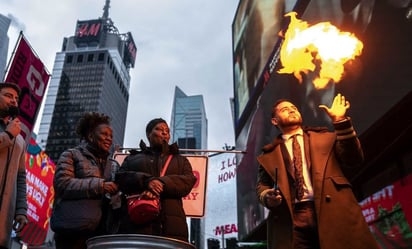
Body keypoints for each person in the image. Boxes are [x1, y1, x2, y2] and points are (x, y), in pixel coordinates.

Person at [256, 93, 379, 249]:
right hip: (291, 219)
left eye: (294, 108)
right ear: (275, 121)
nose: (292, 110)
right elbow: (261, 186)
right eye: (285, 109)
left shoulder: (327, 138)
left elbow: (353, 159)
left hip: (333, 210)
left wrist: (340, 121)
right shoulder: (268, 155)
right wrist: (267, 196)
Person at [115, 118, 197, 242]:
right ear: (149, 134)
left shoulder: (180, 160)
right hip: (136, 226)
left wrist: (161, 183)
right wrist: (147, 181)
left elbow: (189, 181)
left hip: (172, 229)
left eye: (167, 131)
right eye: (159, 129)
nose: (165, 133)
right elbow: (120, 178)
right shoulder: (133, 158)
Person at [50, 112, 119, 249]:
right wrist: (100, 185)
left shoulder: (112, 164)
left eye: (110, 136)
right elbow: (63, 184)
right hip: (72, 230)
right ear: (90, 136)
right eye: (104, 134)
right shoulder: (71, 154)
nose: (109, 139)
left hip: (100, 234)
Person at [0, 82, 28, 249]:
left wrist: (21, 210)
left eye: (16, 98)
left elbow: (21, 177)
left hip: (4, 220)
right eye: (8, 96)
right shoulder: (12, 134)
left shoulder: (20, 139)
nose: (13, 101)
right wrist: (8, 134)